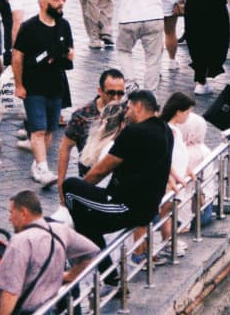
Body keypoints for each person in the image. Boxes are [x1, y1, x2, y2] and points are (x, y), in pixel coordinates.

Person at [63, 90, 174, 251]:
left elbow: (100, 171)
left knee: (70, 187)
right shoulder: (166, 130)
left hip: (125, 208)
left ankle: (90, 246)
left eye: (128, 108)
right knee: (85, 221)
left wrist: (84, 189)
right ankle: (93, 246)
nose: (126, 114)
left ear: (138, 107)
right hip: (149, 208)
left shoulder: (134, 132)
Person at [0, 189, 98, 315]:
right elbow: (92, 251)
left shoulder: (19, 242)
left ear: (23, 212)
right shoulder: (60, 230)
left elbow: (10, 291)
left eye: (11, 212)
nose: (9, 218)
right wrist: (71, 275)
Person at [12, 0, 74, 185]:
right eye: (56, 0)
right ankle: (44, 169)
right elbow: (17, 56)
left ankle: (38, 164)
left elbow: (70, 51)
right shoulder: (29, 27)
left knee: (49, 130)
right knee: (38, 130)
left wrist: (66, 54)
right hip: (34, 86)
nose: (61, 2)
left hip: (56, 84)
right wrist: (19, 85)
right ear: (43, 4)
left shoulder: (63, 25)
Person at [56, 68, 125, 186]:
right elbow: (65, 147)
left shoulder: (127, 113)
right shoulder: (82, 115)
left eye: (120, 93)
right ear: (100, 91)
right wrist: (60, 184)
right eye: (111, 93)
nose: (116, 98)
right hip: (89, 180)